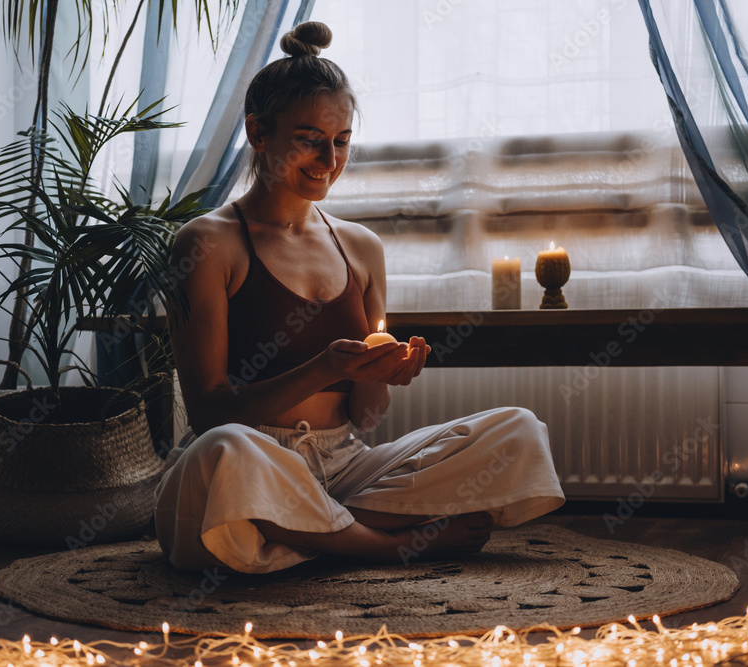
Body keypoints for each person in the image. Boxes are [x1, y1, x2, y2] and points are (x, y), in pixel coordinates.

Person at [154, 21, 564, 574]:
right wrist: (323, 367)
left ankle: (304, 530)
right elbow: (208, 413)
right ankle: (387, 544)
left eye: (341, 141)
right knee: (221, 455)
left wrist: (380, 372)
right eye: (309, 139)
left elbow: (368, 417)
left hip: (346, 465)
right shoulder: (207, 243)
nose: (328, 161)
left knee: (518, 429)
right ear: (258, 131)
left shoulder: (362, 248)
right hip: (255, 458)